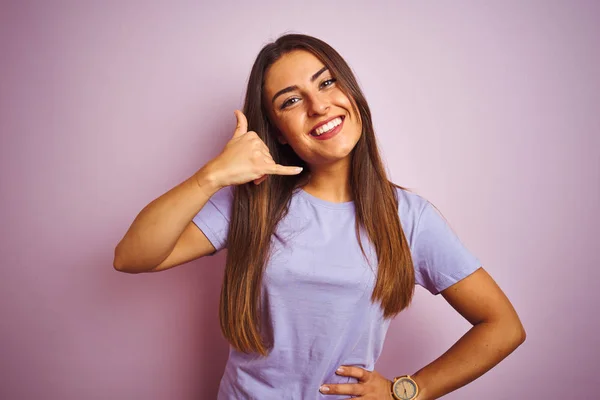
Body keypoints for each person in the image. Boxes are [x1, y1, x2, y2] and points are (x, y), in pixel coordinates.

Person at [113, 33, 526, 400]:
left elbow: (503, 325)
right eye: (291, 101)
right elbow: (132, 257)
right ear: (276, 131)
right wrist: (213, 175)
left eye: (326, 82)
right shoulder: (253, 204)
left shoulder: (410, 218)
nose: (318, 105)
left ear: (350, 93)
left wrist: (411, 390)